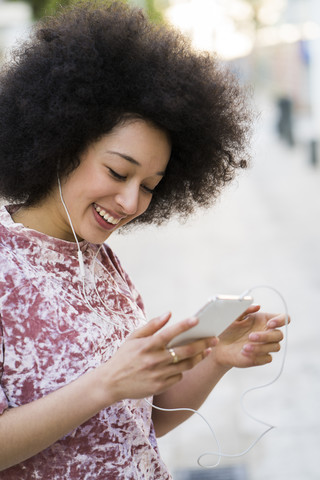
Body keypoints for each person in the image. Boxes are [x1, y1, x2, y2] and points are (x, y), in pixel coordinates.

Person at [0, 1, 288, 478]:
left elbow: (137, 422)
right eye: (117, 171)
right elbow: (107, 394)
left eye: (150, 186)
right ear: (60, 142)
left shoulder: (101, 261)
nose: (132, 203)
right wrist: (105, 384)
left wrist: (217, 358)